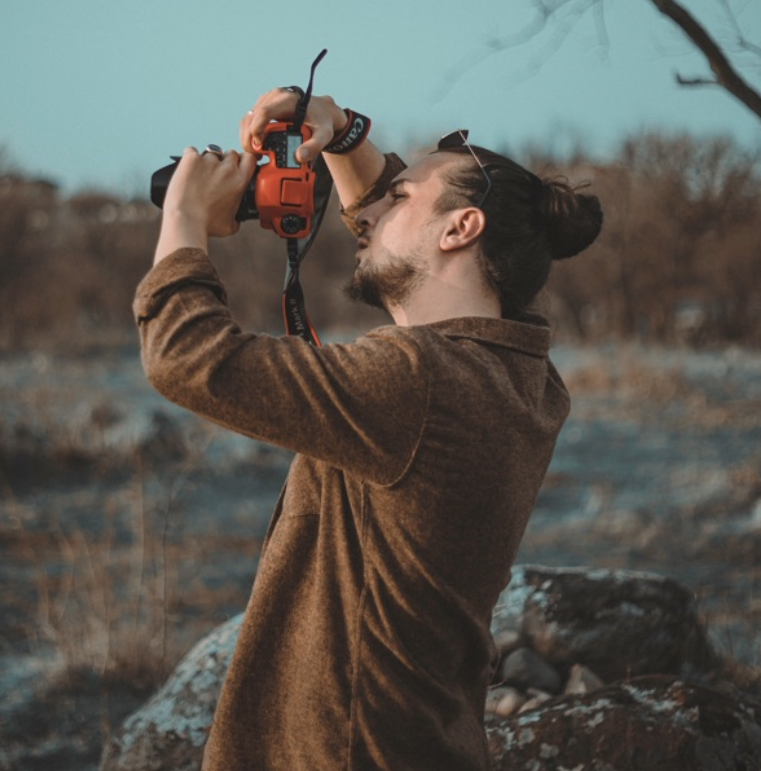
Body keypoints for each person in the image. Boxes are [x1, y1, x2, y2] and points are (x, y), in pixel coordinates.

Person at [133, 88, 602, 771]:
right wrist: (345, 134)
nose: (366, 214)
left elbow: (185, 357)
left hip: (340, 750)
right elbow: (383, 218)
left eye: (401, 198)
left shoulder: (416, 379)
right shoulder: (522, 373)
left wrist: (184, 213)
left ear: (461, 228)